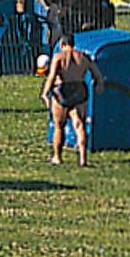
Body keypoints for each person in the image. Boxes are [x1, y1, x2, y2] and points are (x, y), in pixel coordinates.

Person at [41, 31, 103, 167]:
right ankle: (83, 159)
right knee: (79, 124)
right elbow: (97, 75)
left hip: (62, 90)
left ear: (62, 44)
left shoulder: (59, 57)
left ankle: (57, 157)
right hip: (79, 90)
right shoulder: (83, 57)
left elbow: (51, 77)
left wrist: (45, 93)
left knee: (59, 125)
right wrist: (99, 86)